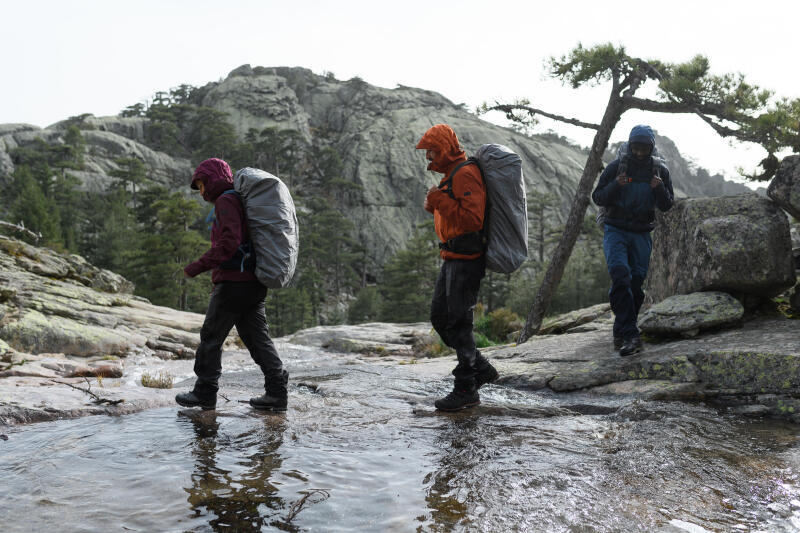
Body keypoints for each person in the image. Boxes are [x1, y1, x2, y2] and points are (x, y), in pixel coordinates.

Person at [175, 158, 288, 411]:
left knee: (211, 338)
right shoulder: (237, 200)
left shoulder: (226, 201)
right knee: (257, 339)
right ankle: (277, 393)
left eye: (202, 185)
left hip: (234, 283)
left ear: (213, 179)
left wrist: (196, 267)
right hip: (254, 282)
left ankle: (205, 393)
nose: (201, 192)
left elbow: (229, 244)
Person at [416, 124, 499, 411]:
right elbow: (454, 213)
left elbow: (473, 220)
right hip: (452, 257)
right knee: (440, 318)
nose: (428, 157)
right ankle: (481, 367)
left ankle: (466, 388)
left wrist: (440, 200)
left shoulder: (465, 173)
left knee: (459, 322)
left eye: (431, 151)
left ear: (444, 149)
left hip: (467, 259)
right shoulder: (452, 175)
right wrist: (437, 204)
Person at [592, 125, 674, 356]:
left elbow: (667, 205)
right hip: (615, 229)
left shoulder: (660, 171)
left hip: (641, 233)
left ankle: (621, 330)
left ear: (651, 147)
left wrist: (658, 189)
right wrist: (616, 184)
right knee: (620, 276)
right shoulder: (617, 167)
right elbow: (598, 197)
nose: (639, 153)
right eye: (636, 147)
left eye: (644, 148)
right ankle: (630, 335)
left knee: (636, 285)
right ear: (630, 145)